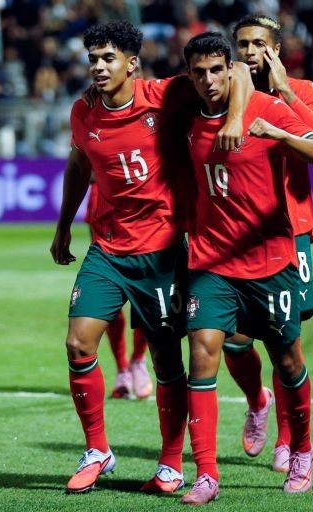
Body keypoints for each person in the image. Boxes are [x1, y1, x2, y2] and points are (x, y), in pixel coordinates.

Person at [50, 20, 251, 495]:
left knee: (165, 358)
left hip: (162, 247)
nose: (99, 67)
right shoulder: (84, 111)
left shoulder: (165, 95)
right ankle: (98, 450)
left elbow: (237, 70)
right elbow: (79, 163)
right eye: (93, 59)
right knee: (79, 343)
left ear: (131, 64)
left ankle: (169, 463)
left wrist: (238, 118)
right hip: (108, 247)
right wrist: (63, 225)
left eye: (108, 59)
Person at [180, 32, 313, 505]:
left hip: (270, 261)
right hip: (212, 261)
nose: (207, 80)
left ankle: (302, 449)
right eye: (198, 72)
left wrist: (279, 134)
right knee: (204, 350)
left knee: (288, 360)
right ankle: (206, 473)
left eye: (216, 70)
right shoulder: (183, 117)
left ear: (231, 69)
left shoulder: (267, 109)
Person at [225, 14, 313, 476]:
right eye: (242, 45)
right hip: (233, 236)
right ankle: (257, 400)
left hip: (290, 232)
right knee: (232, 340)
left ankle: (289, 439)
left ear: (274, 50)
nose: (249, 52)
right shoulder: (223, 91)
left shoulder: (303, 91)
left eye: (258, 44)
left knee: (283, 337)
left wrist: (285, 91)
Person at [84, 180, 152, 400]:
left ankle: (138, 361)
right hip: (102, 194)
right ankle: (123, 369)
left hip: (141, 194)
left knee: (145, 295)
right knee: (109, 293)